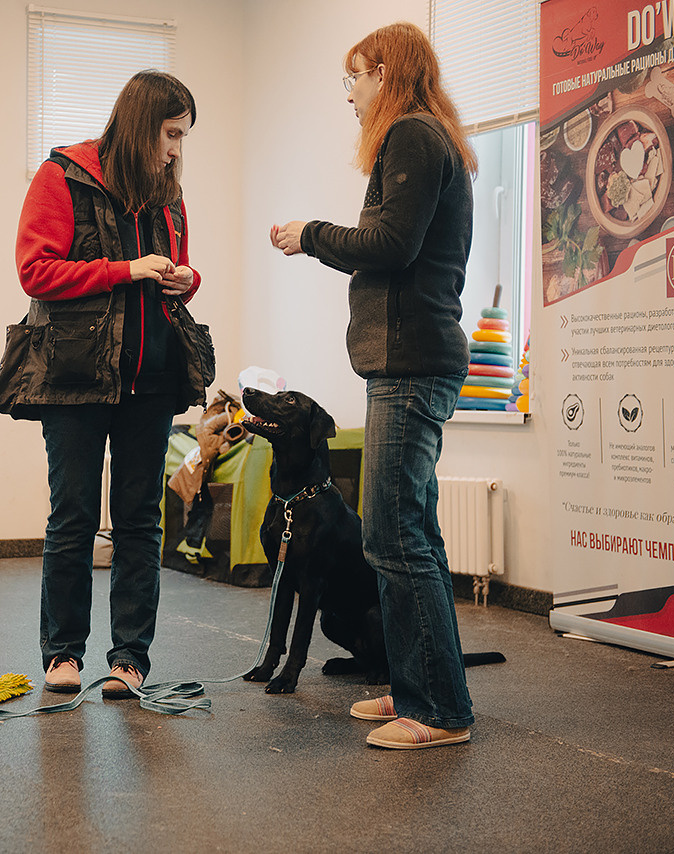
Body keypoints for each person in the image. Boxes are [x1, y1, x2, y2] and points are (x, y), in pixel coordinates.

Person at [269, 22, 477, 749]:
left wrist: (311, 234)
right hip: (408, 361)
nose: (350, 94)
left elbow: (392, 245)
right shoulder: (423, 138)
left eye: (355, 77)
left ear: (386, 73)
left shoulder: (414, 136)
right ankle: (420, 691)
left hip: (412, 365)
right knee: (408, 531)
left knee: (393, 534)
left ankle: (440, 713)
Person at [11, 70, 207, 699]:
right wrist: (126, 269)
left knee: (140, 523)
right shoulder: (61, 178)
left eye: (183, 137)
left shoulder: (168, 192)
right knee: (72, 517)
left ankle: (129, 660)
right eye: (171, 133)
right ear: (141, 122)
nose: (176, 149)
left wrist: (186, 279)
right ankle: (63, 653)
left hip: (151, 383)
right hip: (75, 380)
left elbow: (174, 266)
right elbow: (35, 271)